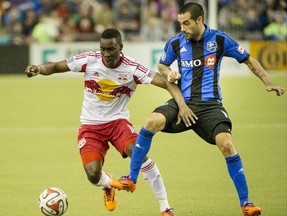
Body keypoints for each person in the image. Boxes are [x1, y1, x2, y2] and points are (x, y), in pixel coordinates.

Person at [110, 2, 286, 216]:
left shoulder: (220, 40)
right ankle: (131, 178)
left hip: (210, 106)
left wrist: (267, 83)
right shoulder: (176, 43)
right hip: (182, 103)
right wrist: (169, 73)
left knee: (227, 145)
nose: (182, 28)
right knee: (150, 122)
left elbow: (249, 60)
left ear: (200, 20)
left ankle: (246, 204)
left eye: (186, 23)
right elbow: (162, 65)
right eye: (179, 23)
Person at [25, 28, 195, 216]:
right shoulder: (89, 60)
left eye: (111, 49)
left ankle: (165, 208)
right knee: (92, 174)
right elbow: (56, 66)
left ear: (120, 47)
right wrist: (39, 69)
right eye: (103, 49)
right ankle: (108, 185)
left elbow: (165, 82)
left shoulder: (132, 68)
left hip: (118, 123)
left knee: (138, 153)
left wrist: (182, 103)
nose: (106, 54)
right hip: (90, 126)